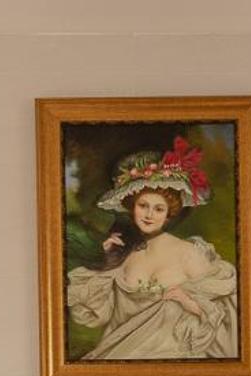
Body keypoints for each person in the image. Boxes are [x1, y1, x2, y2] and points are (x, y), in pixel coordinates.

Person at [66, 138, 240, 361]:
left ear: (169, 214)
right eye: (143, 206)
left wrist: (188, 303)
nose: (149, 215)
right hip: (121, 360)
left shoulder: (188, 253)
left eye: (159, 209)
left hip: (174, 360)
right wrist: (107, 260)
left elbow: (225, 317)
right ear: (132, 208)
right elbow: (96, 317)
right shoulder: (123, 253)